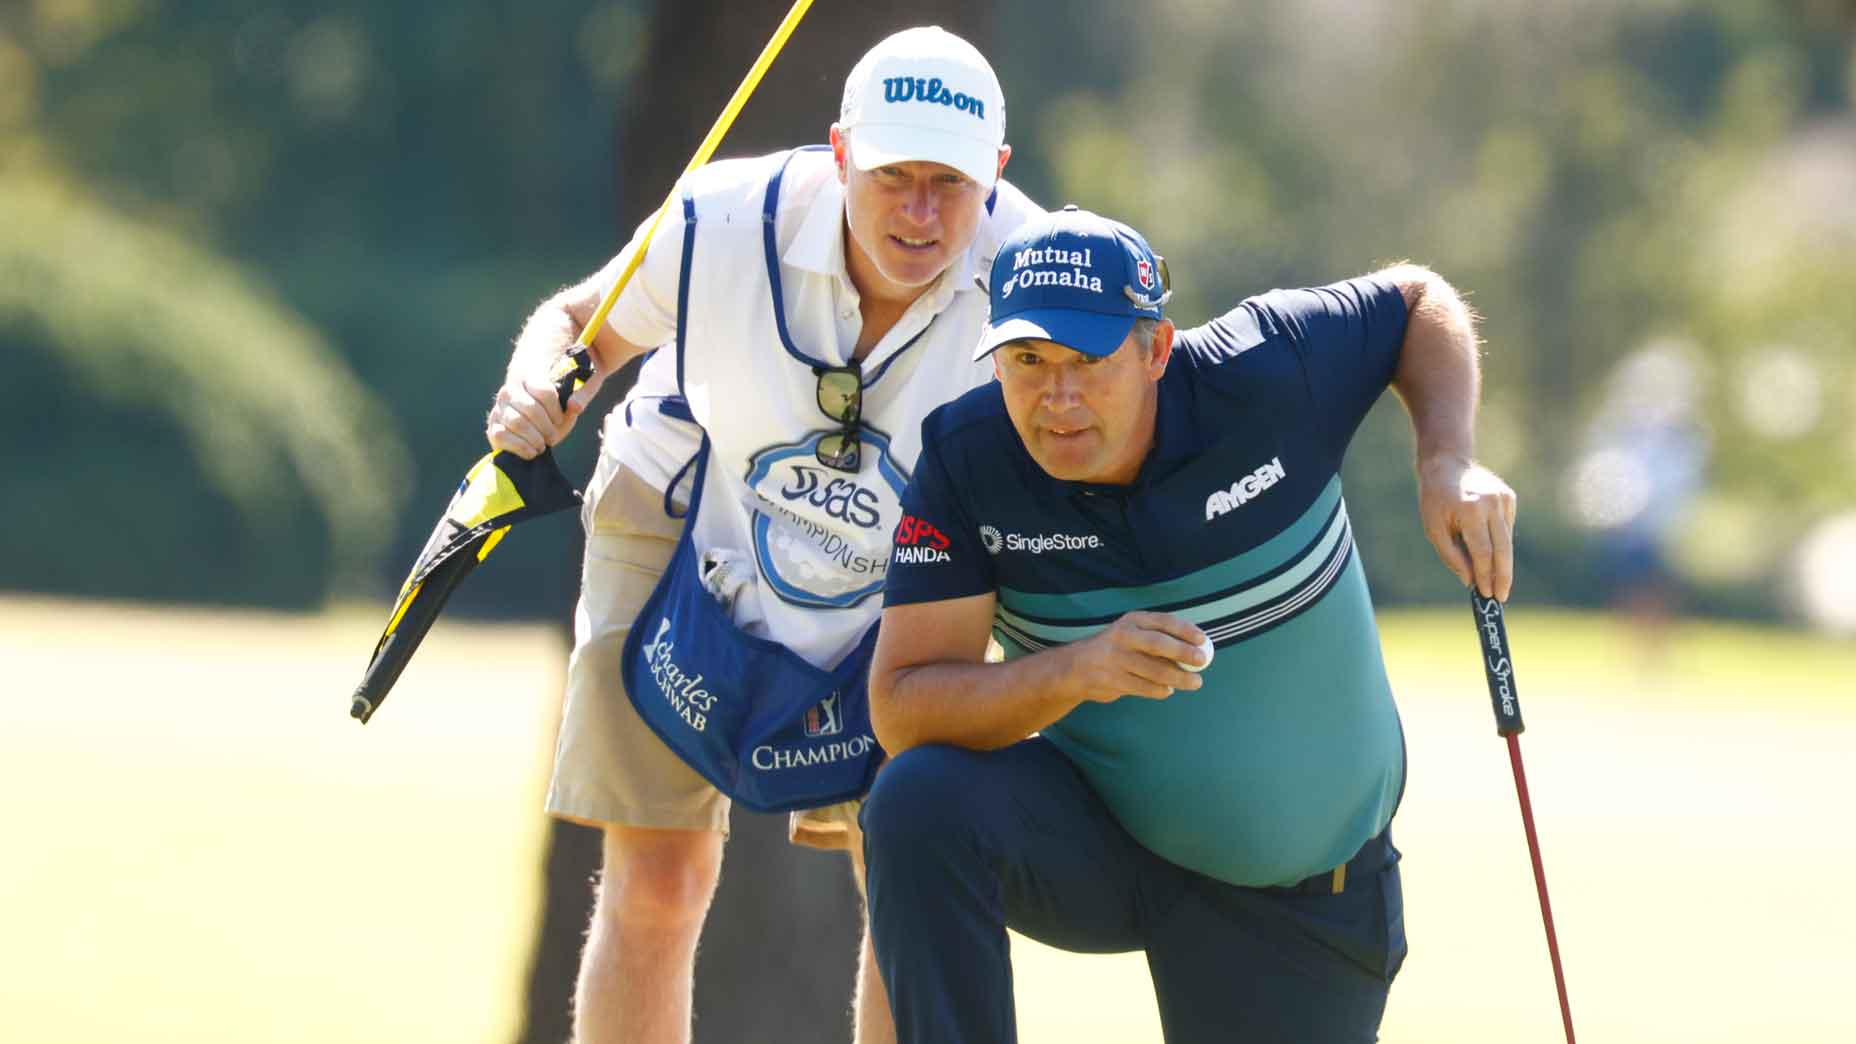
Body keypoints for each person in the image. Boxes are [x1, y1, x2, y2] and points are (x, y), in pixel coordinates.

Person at [483, 26, 1042, 1044]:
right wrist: (537, 386)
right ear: (839, 156)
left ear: (995, 175)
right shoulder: (720, 218)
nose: (919, 213)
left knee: (909, 884)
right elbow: (576, 326)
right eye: (893, 177)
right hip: (675, 513)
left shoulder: (1039, 273)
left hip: (906, 576)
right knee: (655, 877)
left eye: (949, 186)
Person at [860, 207, 1518, 1042]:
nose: (1056, 398)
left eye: (1087, 360)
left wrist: (1445, 458)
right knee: (916, 803)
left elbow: (1417, 301)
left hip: (1298, 896)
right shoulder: (968, 461)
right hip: (1103, 840)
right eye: (1026, 360)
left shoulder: (1270, 368)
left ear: (1156, 350)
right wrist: (1073, 671)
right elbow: (903, 706)